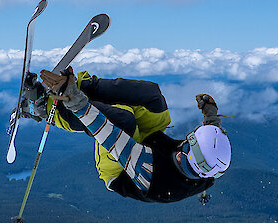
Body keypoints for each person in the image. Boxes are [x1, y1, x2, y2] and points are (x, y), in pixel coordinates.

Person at [22, 69, 230, 205]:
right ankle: (83, 87)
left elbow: (105, 131)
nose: (187, 139)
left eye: (189, 141)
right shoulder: (210, 166)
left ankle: (43, 107)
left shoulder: (149, 171)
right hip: (152, 141)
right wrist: (210, 112)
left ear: (187, 155)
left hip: (121, 168)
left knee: (123, 119)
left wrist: (75, 101)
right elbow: (213, 137)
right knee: (152, 96)